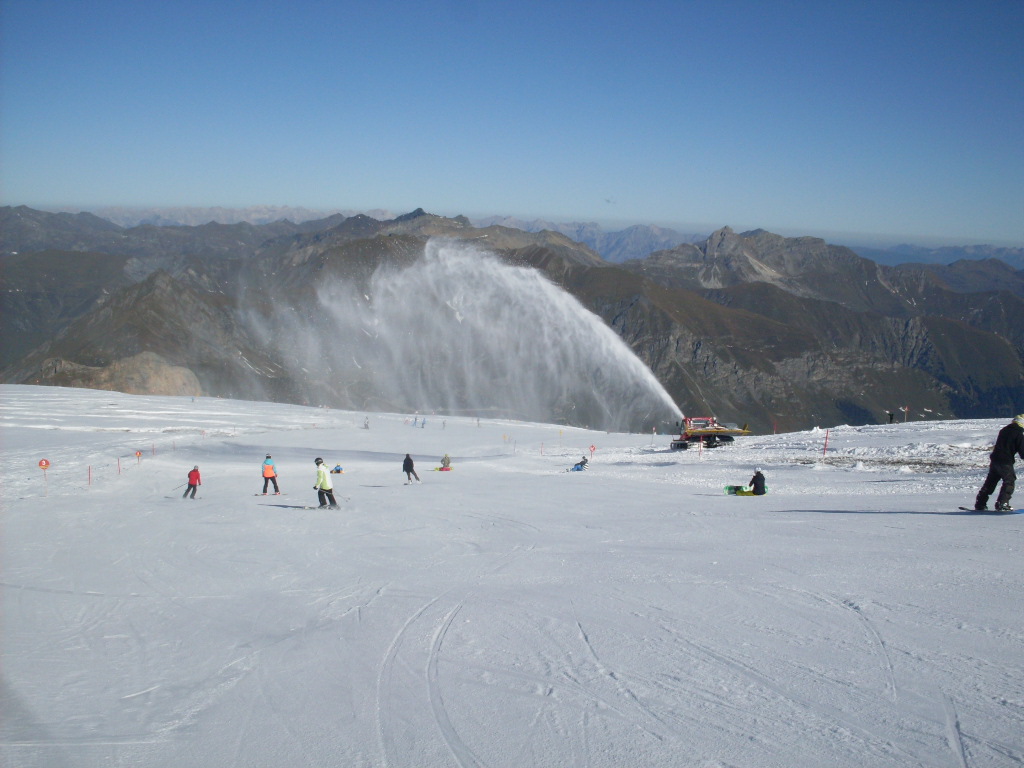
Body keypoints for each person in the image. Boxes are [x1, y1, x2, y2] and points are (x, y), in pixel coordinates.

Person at [974, 414, 1024, 511]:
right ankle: (1002, 503)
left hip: (995, 460)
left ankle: (980, 503)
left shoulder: (1004, 430)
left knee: (990, 482)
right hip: (1005, 461)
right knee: (1009, 481)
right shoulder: (1018, 434)